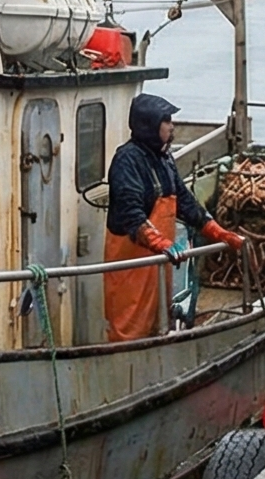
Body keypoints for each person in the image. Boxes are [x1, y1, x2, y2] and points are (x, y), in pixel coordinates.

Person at [103, 94, 246, 342]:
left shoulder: (164, 159)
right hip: (132, 268)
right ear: (150, 124)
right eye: (166, 120)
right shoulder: (126, 161)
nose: (172, 126)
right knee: (129, 328)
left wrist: (216, 231)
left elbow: (185, 201)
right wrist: (159, 242)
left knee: (158, 322)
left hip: (158, 264)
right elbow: (131, 214)